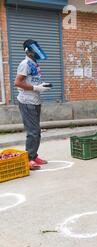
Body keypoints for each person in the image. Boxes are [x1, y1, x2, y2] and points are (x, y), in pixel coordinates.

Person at [14, 39, 52, 171]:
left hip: (35, 101)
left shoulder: (34, 63)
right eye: (33, 50)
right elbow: (17, 83)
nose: (36, 52)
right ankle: (29, 159)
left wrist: (42, 86)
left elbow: (33, 81)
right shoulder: (25, 63)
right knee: (33, 132)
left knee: (37, 132)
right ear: (27, 51)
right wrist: (36, 88)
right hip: (26, 101)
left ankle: (34, 156)